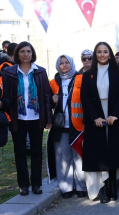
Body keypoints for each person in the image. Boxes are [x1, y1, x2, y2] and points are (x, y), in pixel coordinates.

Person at [80, 42, 119, 203]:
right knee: (99, 153)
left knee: (114, 152)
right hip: (95, 117)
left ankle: (113, 186)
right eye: (99, 52)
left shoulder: (117, 74)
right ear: (95, 55)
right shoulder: (88, 74)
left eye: (105, 52)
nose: (102, 55)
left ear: (110, 54)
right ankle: (102, 188)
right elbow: (85, 98)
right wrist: (95, 117)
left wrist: (115, 115)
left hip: (113, 117)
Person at [2, 41, 53, 196]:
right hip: (18, 117)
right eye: (22, 51)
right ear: (17, 54)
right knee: (20, 152)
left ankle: (37, 184)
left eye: (28, 51)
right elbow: (7, 96)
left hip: (36, 117)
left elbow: (46, 96)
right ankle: (23, 185)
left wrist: (48, 117)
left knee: (37, 151)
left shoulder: (40, 72)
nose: (25, 54)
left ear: (33, 54)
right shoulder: (10, 72)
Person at [48, 55, 87, 198]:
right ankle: (67, 188)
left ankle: (81, 187)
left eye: (67, 62)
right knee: (63, 158)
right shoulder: (53, 82)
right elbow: (47, 102)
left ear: (72, 64)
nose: (64, 65)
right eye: (61, 63)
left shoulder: (81, 79)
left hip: (78, 125)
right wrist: (52, 100)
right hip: (60, 126)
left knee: (79, 157)